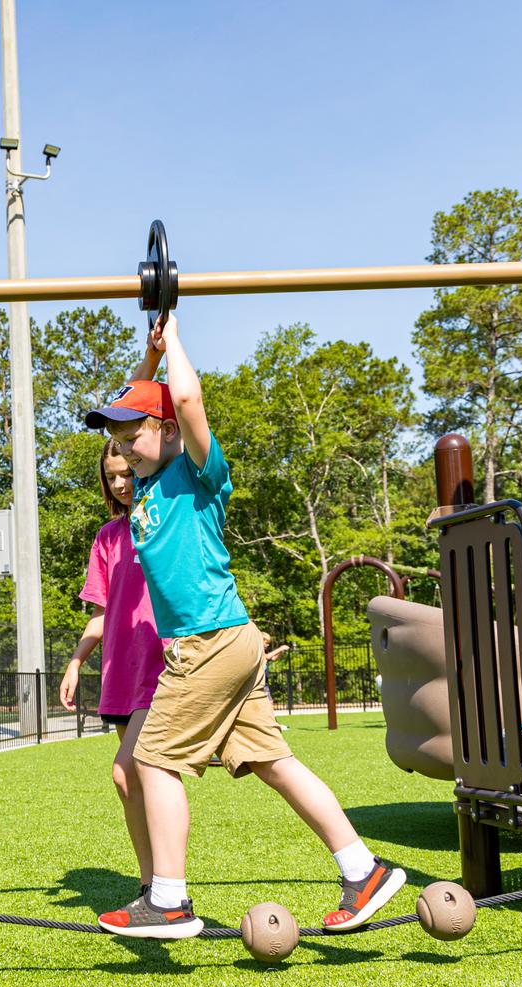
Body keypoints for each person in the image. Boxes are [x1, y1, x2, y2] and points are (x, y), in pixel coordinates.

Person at [81, 316, 407, 939]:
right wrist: (146, 361)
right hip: (229, 640)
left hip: (209, 641)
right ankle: (363, 868)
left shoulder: (197, 474)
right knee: (272, 761)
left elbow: (184, 400)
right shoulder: (145, 485)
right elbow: (144, 402)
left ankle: (169, 902)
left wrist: (173, 337)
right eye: (114, 439)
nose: (120, 447)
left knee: (152, 760)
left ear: (169, 431)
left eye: (130, 435)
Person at [58, 441, 166, 898]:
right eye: (112, 476)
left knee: (127, 771)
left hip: (162, 669)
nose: (121, 484)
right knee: (135, 782)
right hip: (121, 671)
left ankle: (164, 888)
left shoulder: (168, 523)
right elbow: (102, 612)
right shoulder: (107, 537)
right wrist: (76, 660)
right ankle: (151, 884)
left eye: (127, 472)